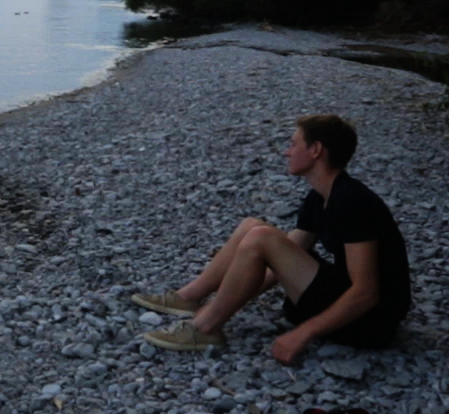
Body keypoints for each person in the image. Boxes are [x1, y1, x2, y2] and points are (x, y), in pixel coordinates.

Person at [131, 114, 411, 364]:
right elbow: (280, 262)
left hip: (371, 321)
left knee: (261, 236)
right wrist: (228, 300)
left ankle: (204, 329)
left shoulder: (353, 202)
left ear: (315, 150)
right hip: (343, 297)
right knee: (251, 227)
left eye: (293, 144)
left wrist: (304, 332)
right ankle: (188, 299)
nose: (286, 152)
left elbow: (367, 292)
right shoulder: (319, 198)